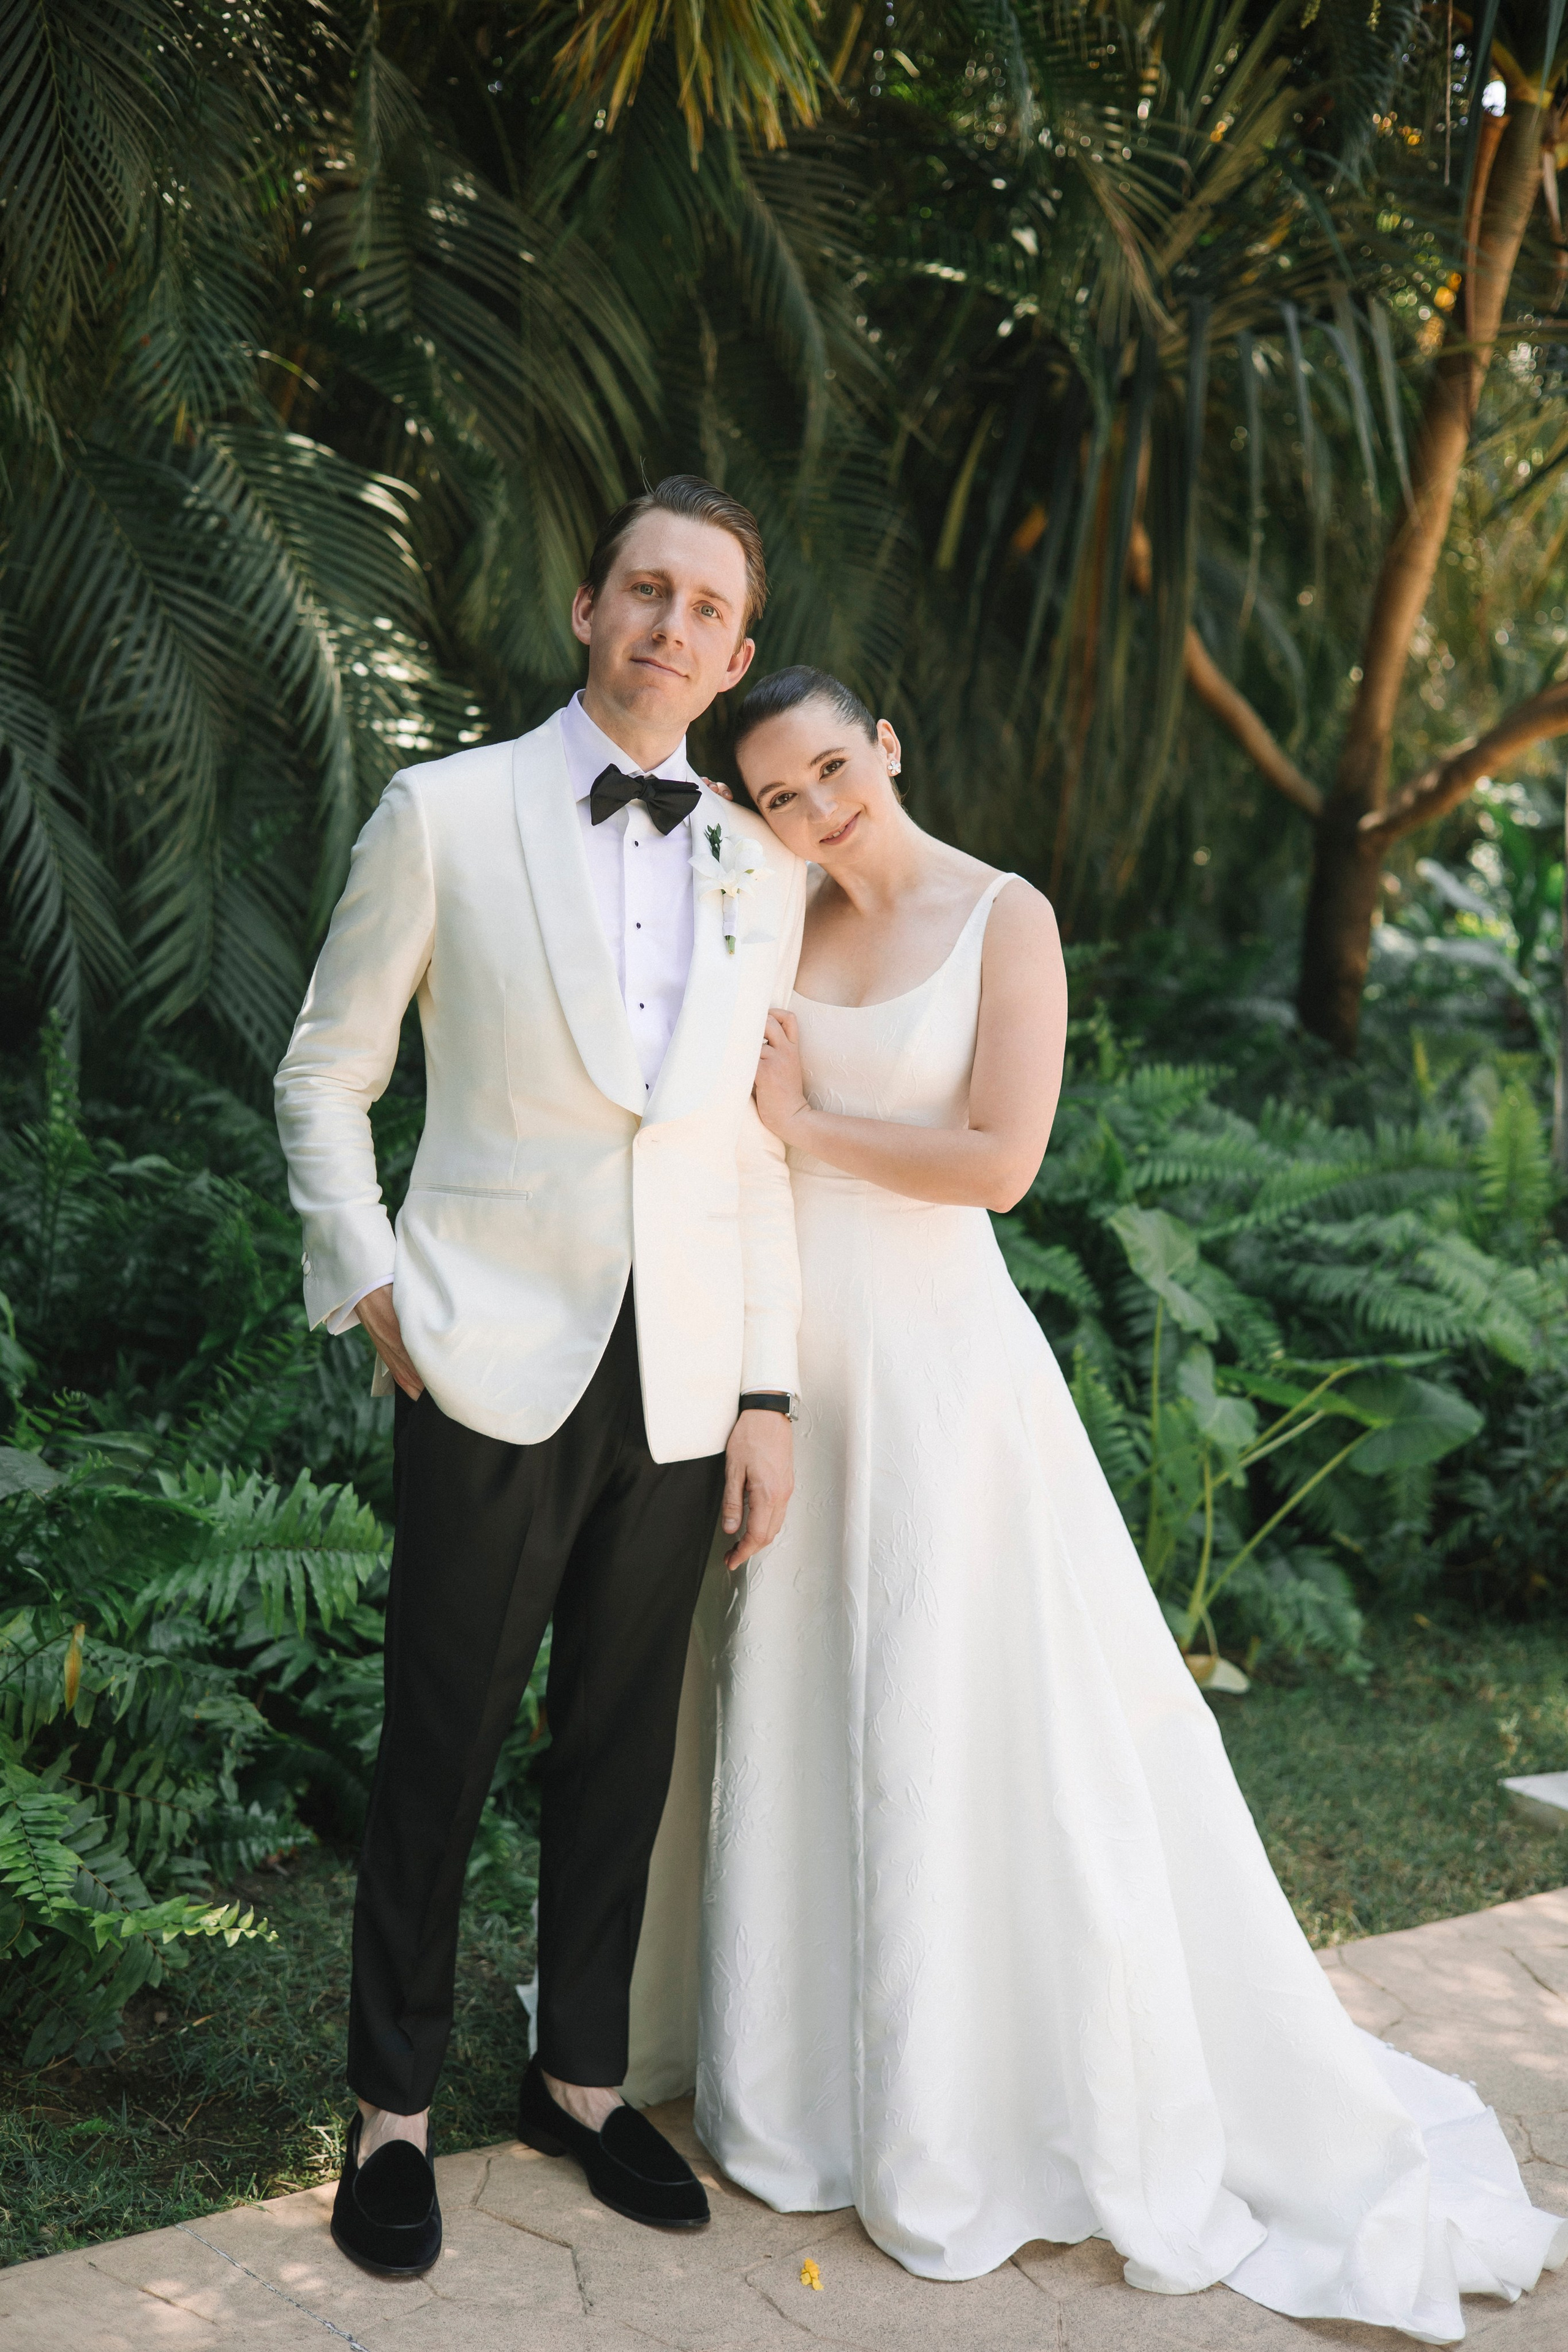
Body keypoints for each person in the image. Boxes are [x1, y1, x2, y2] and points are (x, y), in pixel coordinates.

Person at [633, 663, 1568, 2341]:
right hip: (792, 1367)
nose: (818, 809)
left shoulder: (1006, 918)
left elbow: (1002, 1163)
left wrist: (812, 1124)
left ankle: (976, 2095)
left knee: (955, 1709)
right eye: (777, 794)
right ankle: (802, 2073)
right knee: (801, 1691)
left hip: (937, 1370)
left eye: (833, 769)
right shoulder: (774, 913)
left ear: (886, 744)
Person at [273, 477, 807, 2276]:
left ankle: (577, 2078)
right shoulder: (444, 812)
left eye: (707, 609)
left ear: (734, 655)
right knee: (442, 1736)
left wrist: (767, 1392)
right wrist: (367, 1277)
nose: (672, 625)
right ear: (591, 610)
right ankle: (392, 2112)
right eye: (646, 590)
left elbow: (746, 1150)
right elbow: (326, 1069)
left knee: (623, 1743)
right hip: (484, 1351)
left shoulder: (759, 866)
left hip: (682, 1373)